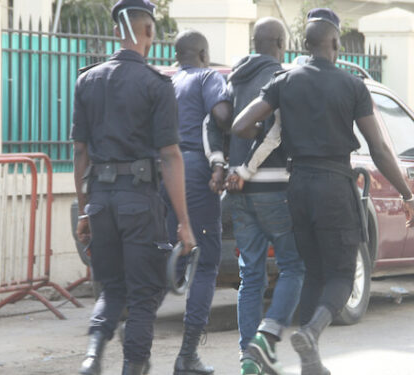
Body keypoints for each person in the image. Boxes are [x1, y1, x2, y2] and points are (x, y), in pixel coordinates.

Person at [233, 8, 414, 375]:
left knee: (313, 273)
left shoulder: (284, 81)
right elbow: (380, 148)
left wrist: (270, 139)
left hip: (298, 186)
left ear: (305, 44)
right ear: (335, 43)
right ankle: (310, 331)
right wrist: (407, 195)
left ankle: (301, 356)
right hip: (335, 185)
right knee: (341, 274)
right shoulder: (352, 85)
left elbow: (242, 124)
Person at [72, 1, 196, 375]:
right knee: (145, 295)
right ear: (149, 33)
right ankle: (133, 367)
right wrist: (185, 223)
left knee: (111, 288)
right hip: (139, 203)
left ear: (115, 33)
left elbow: (80, 153)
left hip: (102, 202)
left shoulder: (86, 80)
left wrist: (84, 210)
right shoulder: (156, 85)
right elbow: (172, 156)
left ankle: (93, 356)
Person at [220, 17, 305, 375]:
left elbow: (219, 121)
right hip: (273, 188)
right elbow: (275, 134)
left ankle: (247, 358)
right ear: (280, 44)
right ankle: (263, 342)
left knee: (250, 275)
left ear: (255, 43)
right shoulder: (282, 79)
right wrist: (247, 169)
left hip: (237, 191)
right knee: (292, 266)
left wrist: (224, 166)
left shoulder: (233, 77)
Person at [167, 29, 233, 375]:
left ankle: (136, 353)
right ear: (204, 54)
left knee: (167, 254)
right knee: (205, 261)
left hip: (161, 170)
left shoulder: (167, 81)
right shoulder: (208, 77)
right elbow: (222, 116)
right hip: (193, 168)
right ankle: (187, 354)